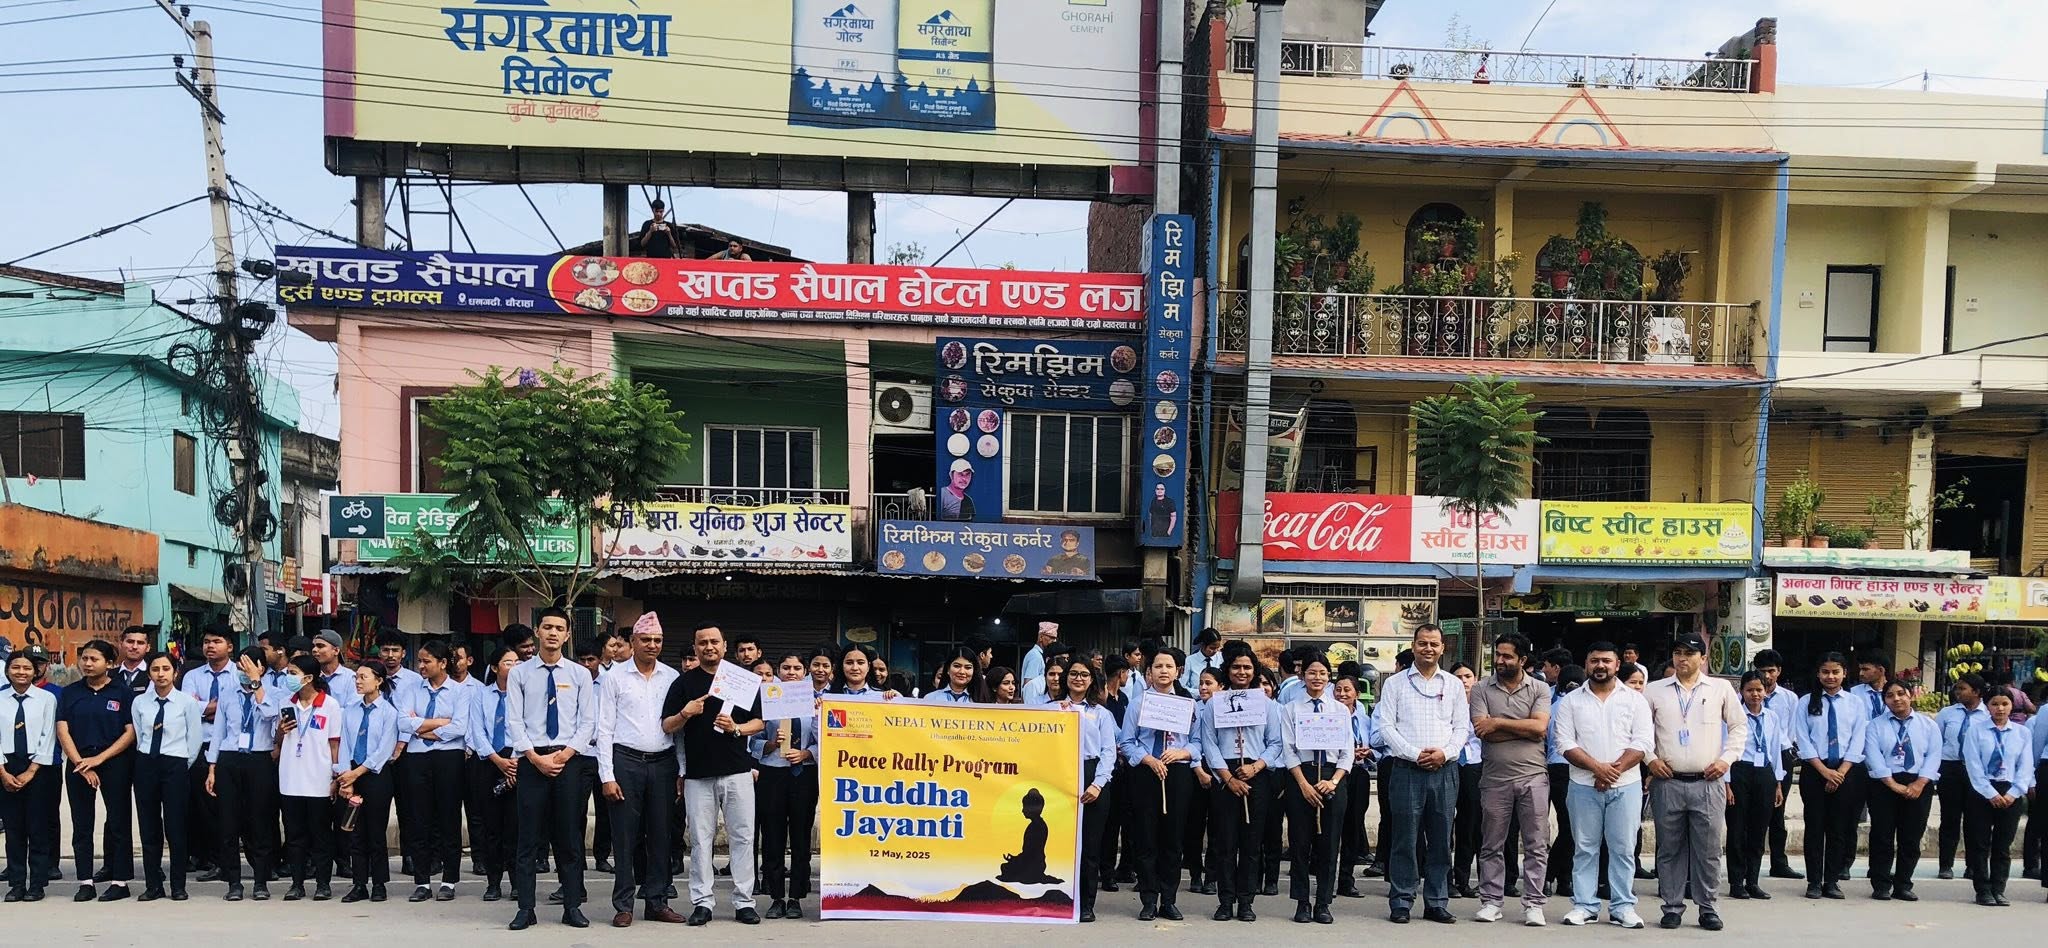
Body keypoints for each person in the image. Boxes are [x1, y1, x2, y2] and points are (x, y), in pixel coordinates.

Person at [1641, 631, 1745, 931]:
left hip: (1708, 781)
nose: (1682, 658)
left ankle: (1708, 907)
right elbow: (1639, 730)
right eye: (1677, 653)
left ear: (1703, 657)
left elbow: (1739, 727)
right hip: (1668, 780)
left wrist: (1726, 760)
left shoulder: (1720, 689)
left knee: (1709, 849)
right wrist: (1650, 759)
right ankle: (1672, 906)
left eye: (1689, 653)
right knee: (1669, 847)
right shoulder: (1654, 690)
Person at [664, 623, 766, 926]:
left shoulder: (741, 679)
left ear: (724, 646)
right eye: (702, 643)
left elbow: (759, 723)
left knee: (743, 837)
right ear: (695, 648)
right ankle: (702, 902)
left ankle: (744, 901)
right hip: (698, 775)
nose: (709, 647)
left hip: (737, 770)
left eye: (714, 642)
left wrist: (736, 728)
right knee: (700, 840)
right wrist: (686, 713)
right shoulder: (683, 684)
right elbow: (667, 726)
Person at [505, 607, 598, 931]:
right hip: (532, 763)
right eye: (547, 627)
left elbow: (588, 721)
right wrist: (534, 757)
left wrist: (565, 754)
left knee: (569, 837)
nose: (553, 633)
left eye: (560, 628)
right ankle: (526, 908)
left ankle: (572, 905)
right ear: (537, 631)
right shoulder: (520, 674)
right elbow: (514, 721)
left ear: (568, 634)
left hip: (569, 763)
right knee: (527, 838)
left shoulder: (579, 674)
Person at [1552, 641, 1652, 929]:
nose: (1600, 666)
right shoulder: (1572, 701)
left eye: (1607, 661)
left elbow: (1643, 742)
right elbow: (1564, 742)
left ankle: (1623, 906)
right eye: (1595, 660)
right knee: (1584, 847)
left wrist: (1612, 772)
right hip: (1583, 784)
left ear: (1617, 665)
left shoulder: (1634, 700)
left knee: (1623, 847)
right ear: (1587, 664)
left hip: (1627, 785)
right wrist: (1597, 768)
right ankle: (1584, 905)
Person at [1377, 625, 1470, 925]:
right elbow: (1386, 728)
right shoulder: (1394, 684)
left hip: (1445, 770)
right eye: (1422, 643)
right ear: (1413, 646)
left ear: (1443, 648)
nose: (1428, 649)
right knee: (1405, 837)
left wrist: (1445, 753)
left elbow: (1462, 728)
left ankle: (1436, 901)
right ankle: (1402, 900)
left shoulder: (1454, 684)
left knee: (1442, 838)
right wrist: (1414, 753)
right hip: (1407, 769)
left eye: (1434, 644)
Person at [595, 612, 683, 928]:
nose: (652, 645)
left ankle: (657, 902)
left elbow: (679, 730)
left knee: (661, 835)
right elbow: (603, 727)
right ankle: (623, 905)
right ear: (632, 642)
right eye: (645, 639)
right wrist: (607, 775)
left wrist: (680, 772)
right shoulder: (614, 677)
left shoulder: (672, 677)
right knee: (624, 837)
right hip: (625, 762)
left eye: (657, 640)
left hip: (663, 762)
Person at [1469, 631, 1552, 927]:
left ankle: (1534, 903)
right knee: (1492, 843)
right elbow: (1481, 729)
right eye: (1498, 655)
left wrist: (1499, 723)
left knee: (1536, 843)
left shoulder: (1539, 688)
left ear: (1522, 660)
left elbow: (1541, 728)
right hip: (1494, 778)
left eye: (1507, 656)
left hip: (1534, 777)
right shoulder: (1481, 689)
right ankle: (1491, 901)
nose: (1500, 661)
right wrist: (1523, 728)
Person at [1119, 646, 1198, 921]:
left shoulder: (1188, 702)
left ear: (1178, 672)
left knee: (1173, 839)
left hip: (1177, 772)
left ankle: (1169, 899)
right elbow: (1127, 742)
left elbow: (1197, 742)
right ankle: (1149, 899)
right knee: (1146, 838)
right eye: (1158, 666)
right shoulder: (1139, 703)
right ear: (1149, 672)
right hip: (1146, 772)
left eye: (1169, 666)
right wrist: (1147, 759)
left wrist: (1182, 752)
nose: (1163, 671)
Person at [56, 638, 138, 902]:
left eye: (94, 659)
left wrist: (99, 760)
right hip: (79, 763)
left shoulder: (122, 692)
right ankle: (85, 880)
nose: (88, 664)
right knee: (82, 823)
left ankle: (120, 880)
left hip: (114, 762)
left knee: (118, 821)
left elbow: (130, 732)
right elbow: (62, 728)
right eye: (85, 659)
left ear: (109, 663)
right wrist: (81, 762)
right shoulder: (70, 692)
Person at [1279, 651, 1350, 924]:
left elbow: (1347, 752)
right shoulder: (1291, 709)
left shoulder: (1340, 710)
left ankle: (1323, 902)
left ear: (1328, 677)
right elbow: (1288, 750)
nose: (1317, 677)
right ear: (1302, 675)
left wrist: (1332, 781)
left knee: (1329, 843)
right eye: (1311, 672)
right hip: (1302, 776)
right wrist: (1304, 785)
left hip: (1332, 777)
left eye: (1322, 673)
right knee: (1300, 843)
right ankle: (1302, 901)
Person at [396, 640, 467, 903]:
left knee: (448, 818)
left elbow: (459, 727)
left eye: (427, 661)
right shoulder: (412, 689)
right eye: (420, 661)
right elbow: (403, 722)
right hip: (417, 758)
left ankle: (449, 879)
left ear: (443, 663)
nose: (421, 666)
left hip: (449, 758)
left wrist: (422, 728)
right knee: (419, 819)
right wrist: (438, 723)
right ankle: (422, 881)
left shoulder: (460, 692)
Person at [1794, 651, 1868, 900]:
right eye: (1825, 671)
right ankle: (1814, 881)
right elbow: (1802, 739)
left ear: (1845, 673)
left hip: (1846, 772)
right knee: (1814, 827)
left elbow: (1858, 739)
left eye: (1836, 671)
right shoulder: (1805, 702)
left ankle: (1832, 880)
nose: (1831, 676)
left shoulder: (1855, 703)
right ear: (1818, 673)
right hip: (1815, 770)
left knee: (1839, 828)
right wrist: (1824, 771)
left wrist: (1841, 773)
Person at [753, 653, 818, 921]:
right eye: (786, 668)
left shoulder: (815, 702)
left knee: (801, 837)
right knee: (773, 836)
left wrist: (806, 753)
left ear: (805, 672)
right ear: (778, 671)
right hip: (773, 773)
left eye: (797, 668)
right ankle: (777, 897)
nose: (791, 672)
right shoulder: (767, 698)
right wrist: (769, 744)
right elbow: (753, 739)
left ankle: (797, 897)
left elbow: (826, 738)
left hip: (803, 774)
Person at [132, 650, 202, 901]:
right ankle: (153, 884)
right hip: (146, 763)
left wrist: (181, 764)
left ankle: (178, 885)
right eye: (155, 669)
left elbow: (193, 740)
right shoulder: (140, 702)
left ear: (175, 672)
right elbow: (140, 735)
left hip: (175, 764)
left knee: (176, 827)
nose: (160, 674)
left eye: (165, 669)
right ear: (148, 673)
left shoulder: (187, 703)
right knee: (149, 827)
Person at [1864, 679, 1939, 902]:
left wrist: (1919, 783)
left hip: (1918, 784)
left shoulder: (1928, 725)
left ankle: (1903, 884)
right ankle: (1881, 884)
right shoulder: (1875, 726)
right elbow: (1873, 757)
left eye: (1900, 693)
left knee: (1911, 838)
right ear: (1884, 700)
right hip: (1884, 785)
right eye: (1890, 695)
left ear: (1910, 695)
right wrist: (1892, 784)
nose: (1896, 699)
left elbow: (1934, 756)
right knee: (1882, 836)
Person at [274, 656, 339, 902]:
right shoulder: (285, 702)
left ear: (309, 678)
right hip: (291, 778)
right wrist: (281, 731)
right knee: (294, 835)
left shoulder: (330, 705)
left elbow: (334, 743)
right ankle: (297, 883)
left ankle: (323, 883)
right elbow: (279, 741)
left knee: (321, 835)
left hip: (319, 779)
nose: (288, 678)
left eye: (293, 673)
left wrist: (335, 775)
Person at [1058, 656, 1118, 923]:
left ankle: (1086, 903)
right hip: (1059, 775)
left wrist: (1098, 784)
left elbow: (1109, 752)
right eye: (1073, 674)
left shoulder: (1102, 714)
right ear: (1065, 678)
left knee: (1090, 845)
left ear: (1092, 680)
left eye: (1084, 674)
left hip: (1093, 775)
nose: (1078, 678)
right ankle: (1058, 899)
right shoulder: (1051, 708)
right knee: (1060, 843)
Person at [338, 661, 402, 903]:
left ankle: (379, 883)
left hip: (376, 776)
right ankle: (358, 883)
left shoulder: (388, 712)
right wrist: (346, 776)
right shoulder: (350, 710)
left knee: (376, 832)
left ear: (378, 681)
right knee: (355, 832)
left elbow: (383, 750)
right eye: (356, 677)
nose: (358, 681)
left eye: (363, 676)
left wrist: (357, 774)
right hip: (352, 774)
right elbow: (344, 745)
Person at [1962, 688, 2032, 906]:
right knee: (1979, 843)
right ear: (1987, 705)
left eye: (2004, 704)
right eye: (1994, 704)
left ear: (2011, 706)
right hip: (1982, 791)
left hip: (2010, 791)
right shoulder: (1976, 731)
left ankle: (1998, 888)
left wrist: (2013, 793)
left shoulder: (2022, 733)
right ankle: (1982, 889)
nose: (2000, 709)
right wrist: (1990, 793)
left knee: (2003, 845)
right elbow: (1973, 764)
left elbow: (2025, 766)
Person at [1725, 672, 1787, 902]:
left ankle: (1753, 880)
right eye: (1750, 690)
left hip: (1764, 774)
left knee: (1759, 829)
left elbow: (1775, 751)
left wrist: (1778, 782)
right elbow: (1725, 747)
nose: (1755, 694)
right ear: (1741, 691)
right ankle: (1736, 881)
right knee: (1737, 828)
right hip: (1740, 770)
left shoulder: (1771, 717)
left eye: (1759, 690)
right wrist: (1726, 782)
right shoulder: (1734, 716)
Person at [2, 651, 59, 902]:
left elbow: (49, 735)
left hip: (38, 766)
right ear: (8, 670)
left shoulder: (46, 699)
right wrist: (3, 772)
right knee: (13, 829)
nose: (21, 672)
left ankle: (37, 883)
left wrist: (31, 771)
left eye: (27, 668)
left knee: (37, 827)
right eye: (16, 667)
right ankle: (16, 883)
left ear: (35, 672)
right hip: (6, 764)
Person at [465, 648, 520, 902]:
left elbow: (529, 728)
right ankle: (493, 882)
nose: (514, 666)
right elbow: (477, 732)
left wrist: (515, 762)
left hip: (517, 760)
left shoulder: (524, 695)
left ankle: (518, 883)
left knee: (516, 828)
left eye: (517, 662)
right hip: (488, 760)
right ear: (496, 668)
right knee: (491, 827)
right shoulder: (480, 695)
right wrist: (498, 761)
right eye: (508, 662)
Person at [181, 626, 235, 882]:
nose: (210, 646)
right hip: (200, 746)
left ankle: (231, 860)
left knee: (230, 807)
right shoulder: (192, 675)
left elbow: (229, 708)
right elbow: (190, 708)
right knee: (204, 807)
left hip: (229, 747)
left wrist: (208, 708)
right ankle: (212, 859)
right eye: (206, 642)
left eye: (217, 641)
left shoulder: (239, 674)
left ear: (230, 647)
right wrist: (216, 708)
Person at [1749, 649, 1803, 881]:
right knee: (1753, 813)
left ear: (1779, 672)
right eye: (1762, 672)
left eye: (1771, 671)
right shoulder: (1748, 695)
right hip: (1752, 759)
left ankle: (1779, 862)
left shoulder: (1790, 698)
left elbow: (1791, 729)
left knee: (1777, 812)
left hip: (1780, 754)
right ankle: (1748, 865)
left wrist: (1786, 752)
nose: (1767, 676)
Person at [1936, 673, 1991, 880]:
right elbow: (1937, 740)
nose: (1957, 692)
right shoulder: (1947, 713)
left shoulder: (1987, 715)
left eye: (1963, 689)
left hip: (1975, 770)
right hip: (1950, 768)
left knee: (1975, 820)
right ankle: (1945, 865)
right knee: (1949, 818)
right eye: (1957, 688)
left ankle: (1973, 865)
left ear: (1976, 692)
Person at [1543, 663, 1585, 898]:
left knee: (1571, 828)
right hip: (1562, 767)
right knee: (1570, 827)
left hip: (1571, 767)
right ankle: (1552, 875)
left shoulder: (1558, 704)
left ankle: (1563, 877)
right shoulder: (1561, 706)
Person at [1334, 674, 1374, 900]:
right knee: (1331, 828)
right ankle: (1325, 876)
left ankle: (1347, 879)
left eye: (1347, 690)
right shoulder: (1328, 715)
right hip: (1334, 774)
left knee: (1353, 826)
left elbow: (1375, 742)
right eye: (1338, 689)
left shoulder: (1364, 719)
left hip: (1358, 772)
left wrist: (1367, 751)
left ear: (1357, 694)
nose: (1342, 694)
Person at [1448, 661, 1483, 901]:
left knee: (1469, 825)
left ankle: (1462, 879)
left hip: (1474, 765)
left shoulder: (1483, 704)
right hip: (1448, 762)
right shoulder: (1445, 702)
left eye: (1468, 676)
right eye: (1458, 676)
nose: (1463, 680)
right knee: (1443, 825)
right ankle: (1443, 878)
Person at [1021, 622, 1058, 704]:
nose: (1054, 641)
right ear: (1041, 637)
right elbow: (1028, 685)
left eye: (1055, 638)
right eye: (1051, 637)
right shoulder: (1035, 656)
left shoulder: (1040, 655)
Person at [1851, 653, 1892, 720]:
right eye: (1860, 669)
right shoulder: (1854, 692)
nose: (1861, 673)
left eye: (1865, 669)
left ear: (1881, 670)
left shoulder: (1895, 692)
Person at [1182, 628, 1223, 693]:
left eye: (1217, 648)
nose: (1215, 651)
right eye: (1212, 648)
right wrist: (1201, 692)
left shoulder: (1221, 658)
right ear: (1203, 645)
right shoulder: (1190, 660)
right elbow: (1183, 686)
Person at [115, 627, 152, 695]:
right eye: (130, 642)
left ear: (148, 647)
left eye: (140, 643)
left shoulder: (153, 675)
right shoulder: (109, 675)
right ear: (121, 645)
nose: (134, 647)